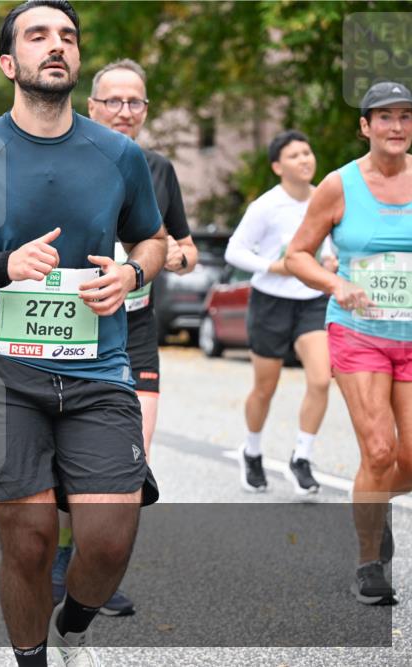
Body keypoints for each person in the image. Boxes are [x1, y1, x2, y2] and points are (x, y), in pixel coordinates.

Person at [0, 3, 167, 665]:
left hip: (98, 369)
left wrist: (133, 272)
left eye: (68, 37)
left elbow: (153, 239)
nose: (57, 45)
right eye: (38, 35)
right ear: (8, 62)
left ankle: (73, 627)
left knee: (109, 539)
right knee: (28, 543)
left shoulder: (118, 155)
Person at [49, 58, 201, 614]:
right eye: (112, 101)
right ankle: (64, 557)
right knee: (75, 454)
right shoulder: (64, 160)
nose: (124, 111)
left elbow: (185, 247)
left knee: (129, 456)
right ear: (91, 106)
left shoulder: (156, 168)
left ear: (145, 110)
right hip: (74, 328)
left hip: (134, 329)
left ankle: (94, 569)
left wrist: (170, 258)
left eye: (134, 101)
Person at [286, 81, 411, 606]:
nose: (396, 126)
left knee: (403, 460)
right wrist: (336, 283)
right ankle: (368, 561)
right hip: (359, 333)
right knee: (378, 450)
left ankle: (370, 497)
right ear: (365, 126)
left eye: (405, 116)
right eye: (385, 117)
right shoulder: (339, 185)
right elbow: (297, 255)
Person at [225, 130, 335, 495]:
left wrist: (331, 260)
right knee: (265, 387)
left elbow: (331, 243)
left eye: (307, 152)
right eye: (294, 155)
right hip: (270, 301)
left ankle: (301, 457)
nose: (304, 160)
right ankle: (252, 450)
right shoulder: (266, 206)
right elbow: (234, 251)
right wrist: (273, 267)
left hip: (312, 301)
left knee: (321, 379)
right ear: (277, 167)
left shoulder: (325, 197)